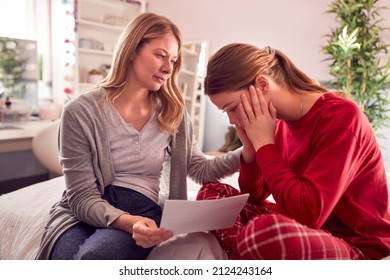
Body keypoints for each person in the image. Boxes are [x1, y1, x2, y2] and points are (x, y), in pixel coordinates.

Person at [35, 13, 241, 260]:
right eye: (160, 55)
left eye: (173, 60)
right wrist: (125, 222)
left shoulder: (173, 112)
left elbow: (199, 168)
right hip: (82, 210)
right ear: (132, 50)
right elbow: (81, 196)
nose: (168, 68)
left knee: (94, 258)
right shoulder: (80, 111)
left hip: (141, 209)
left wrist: (248, 152)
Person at [197, 43, 390, 260]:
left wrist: (265, 144)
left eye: (232, 108)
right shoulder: (278, 125)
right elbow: (254, 197)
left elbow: (308, 215)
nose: (232, 120)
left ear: (261, 85)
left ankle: (248, 251)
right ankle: (250, 250)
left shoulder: (342, 118)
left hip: (356, 244)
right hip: (303, 229)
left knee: (266, 231)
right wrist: (251, 149)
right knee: (211, 194)